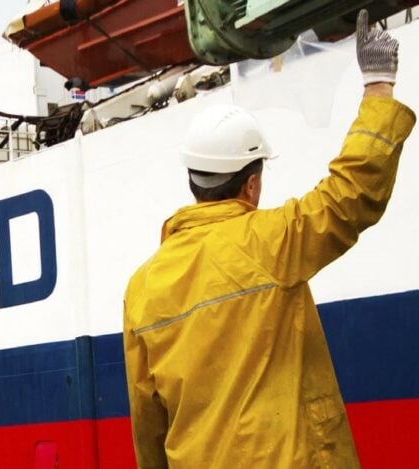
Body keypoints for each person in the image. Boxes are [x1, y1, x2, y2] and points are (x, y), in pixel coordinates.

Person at [123, 10, 415, 468]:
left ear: (193, 181)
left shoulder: (142, 288)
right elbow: (352, 194)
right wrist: (378, 83)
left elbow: (147, 420)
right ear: (252, 184)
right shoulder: (270, 242)